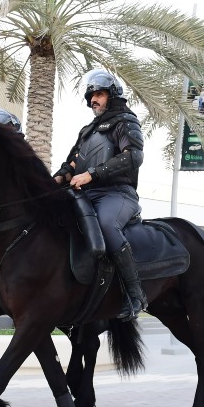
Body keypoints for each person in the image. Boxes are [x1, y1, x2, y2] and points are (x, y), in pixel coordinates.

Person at [53, 69, 146, 321]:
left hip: (118, 193)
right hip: (86, 193)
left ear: (112, 96)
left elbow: (134, 156)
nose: (94, 99)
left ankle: (136, 295)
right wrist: (57, 179)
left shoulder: (125, 121)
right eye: (91, 95)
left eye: (100, 94)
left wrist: (92, 174)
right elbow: (71, 164)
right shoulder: (87, 130)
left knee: (106, 225)